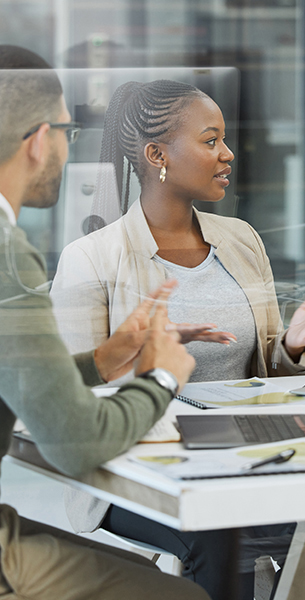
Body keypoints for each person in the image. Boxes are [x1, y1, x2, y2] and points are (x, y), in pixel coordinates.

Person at [50, 79, 305, 599]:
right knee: (218, 533)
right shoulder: (90, 258)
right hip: (134, 468)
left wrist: (291, 347)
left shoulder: (241, 240)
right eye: (210, 141)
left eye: (225, 140)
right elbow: (75, 396)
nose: (227, 155)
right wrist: (144, 356)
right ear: (157, 155)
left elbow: (260, 370)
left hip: (243, 456)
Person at [0, 45, 210, 599]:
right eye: (67, 133)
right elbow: (74, 443)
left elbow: (17, 381)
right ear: (40, 139)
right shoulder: (6, 254)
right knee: (182, 595)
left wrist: (100, 360)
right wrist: (161, 379)